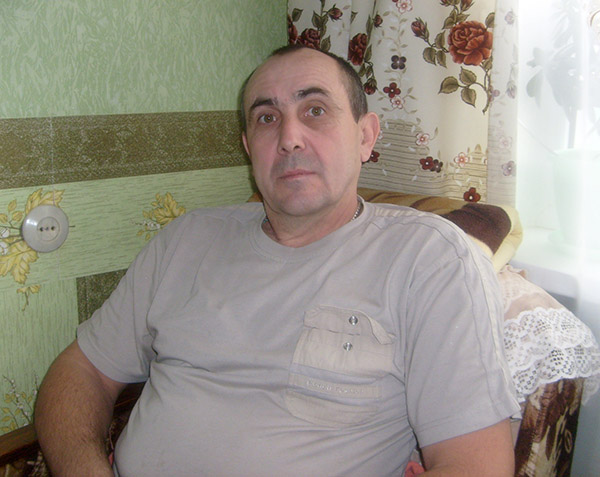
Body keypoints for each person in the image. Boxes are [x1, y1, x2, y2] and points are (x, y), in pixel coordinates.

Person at [34, 45, 520, 476]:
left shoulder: (430, 258)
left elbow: (476, 465)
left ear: (365, 136)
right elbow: (81, 371)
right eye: (267, 118)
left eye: (315, 110)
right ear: (249, 148)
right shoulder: (186, 240)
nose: (289, 138)